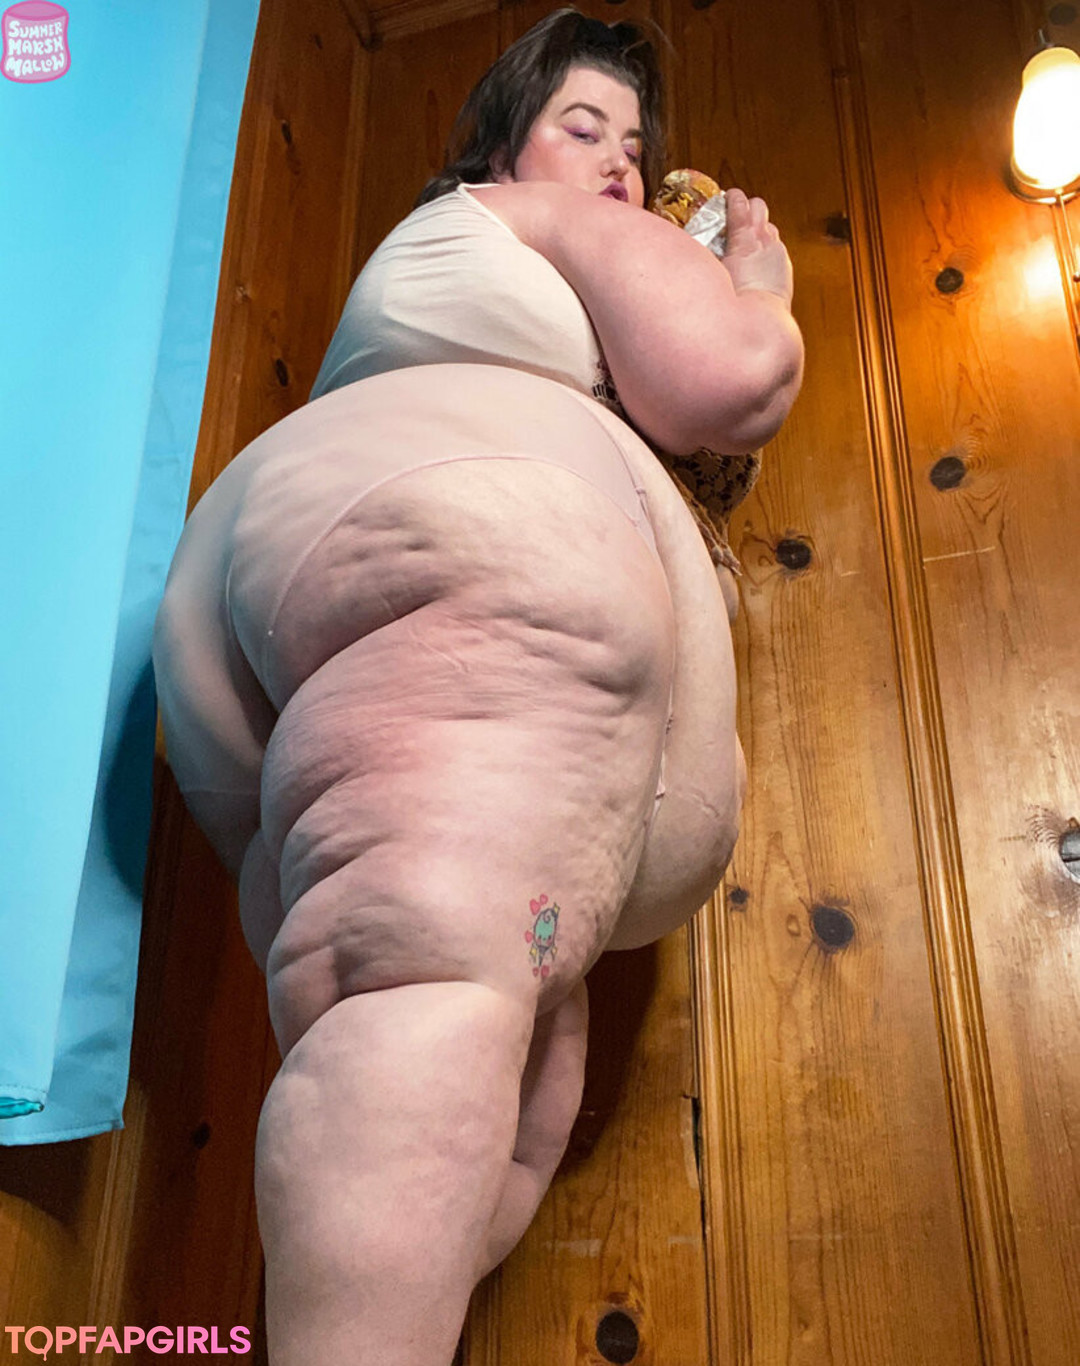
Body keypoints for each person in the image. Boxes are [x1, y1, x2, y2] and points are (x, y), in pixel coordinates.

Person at [151, 8, 803, 1363]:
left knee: (483, 1050)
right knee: (429, 983)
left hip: (281, 613)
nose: (618, 168)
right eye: (584, 127)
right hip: (447, 538)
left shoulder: (463, 298)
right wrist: (757, 282)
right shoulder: (520, 215)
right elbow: (728, 377)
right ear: (503, 148)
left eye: (635, 151)